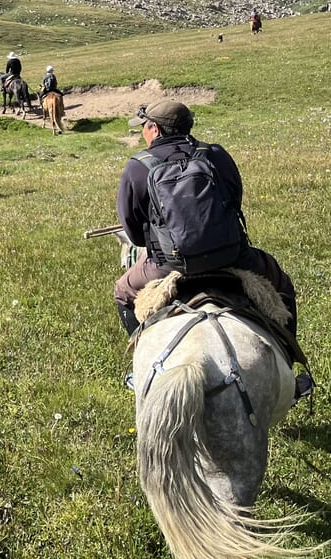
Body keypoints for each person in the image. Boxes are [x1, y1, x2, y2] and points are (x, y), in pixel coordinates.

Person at [113, 99, 311, 396]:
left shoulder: (138, 167)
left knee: (123, 291)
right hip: (233, 256)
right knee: (282, 283)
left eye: (144, 127)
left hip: (169, 265)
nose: (143, 132)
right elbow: (234, 200)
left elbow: (135, 234)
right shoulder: (215, 154)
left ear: (154, 129)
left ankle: (142, 371)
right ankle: (289, 372)